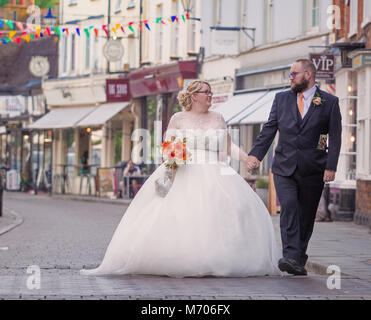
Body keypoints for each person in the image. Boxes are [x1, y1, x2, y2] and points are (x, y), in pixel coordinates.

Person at [80, 80, 282, 278]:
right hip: (184, 170)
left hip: (215, 171)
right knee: (181, 214)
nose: (210, 96)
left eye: (211, 92)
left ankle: (218, 258)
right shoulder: (179, 118)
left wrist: (248, 159)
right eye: (207, 92)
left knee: (222, 213)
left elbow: (227, 147)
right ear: (194, 96)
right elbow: (167, 146)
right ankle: (179, 257)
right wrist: (173, 157)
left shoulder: (218, 118)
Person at [246, 59, 342, 276]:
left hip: (313, 168)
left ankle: (298, 259)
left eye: (294, 74)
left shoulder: (329, 102)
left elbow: (334, 138)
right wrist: (255, 155)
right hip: (283, 167)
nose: (291, 78)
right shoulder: (281, 99)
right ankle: (290, 255)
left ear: (308, 75)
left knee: (306, 214)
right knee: (289, 206)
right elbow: (269, 129)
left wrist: (331, 166)